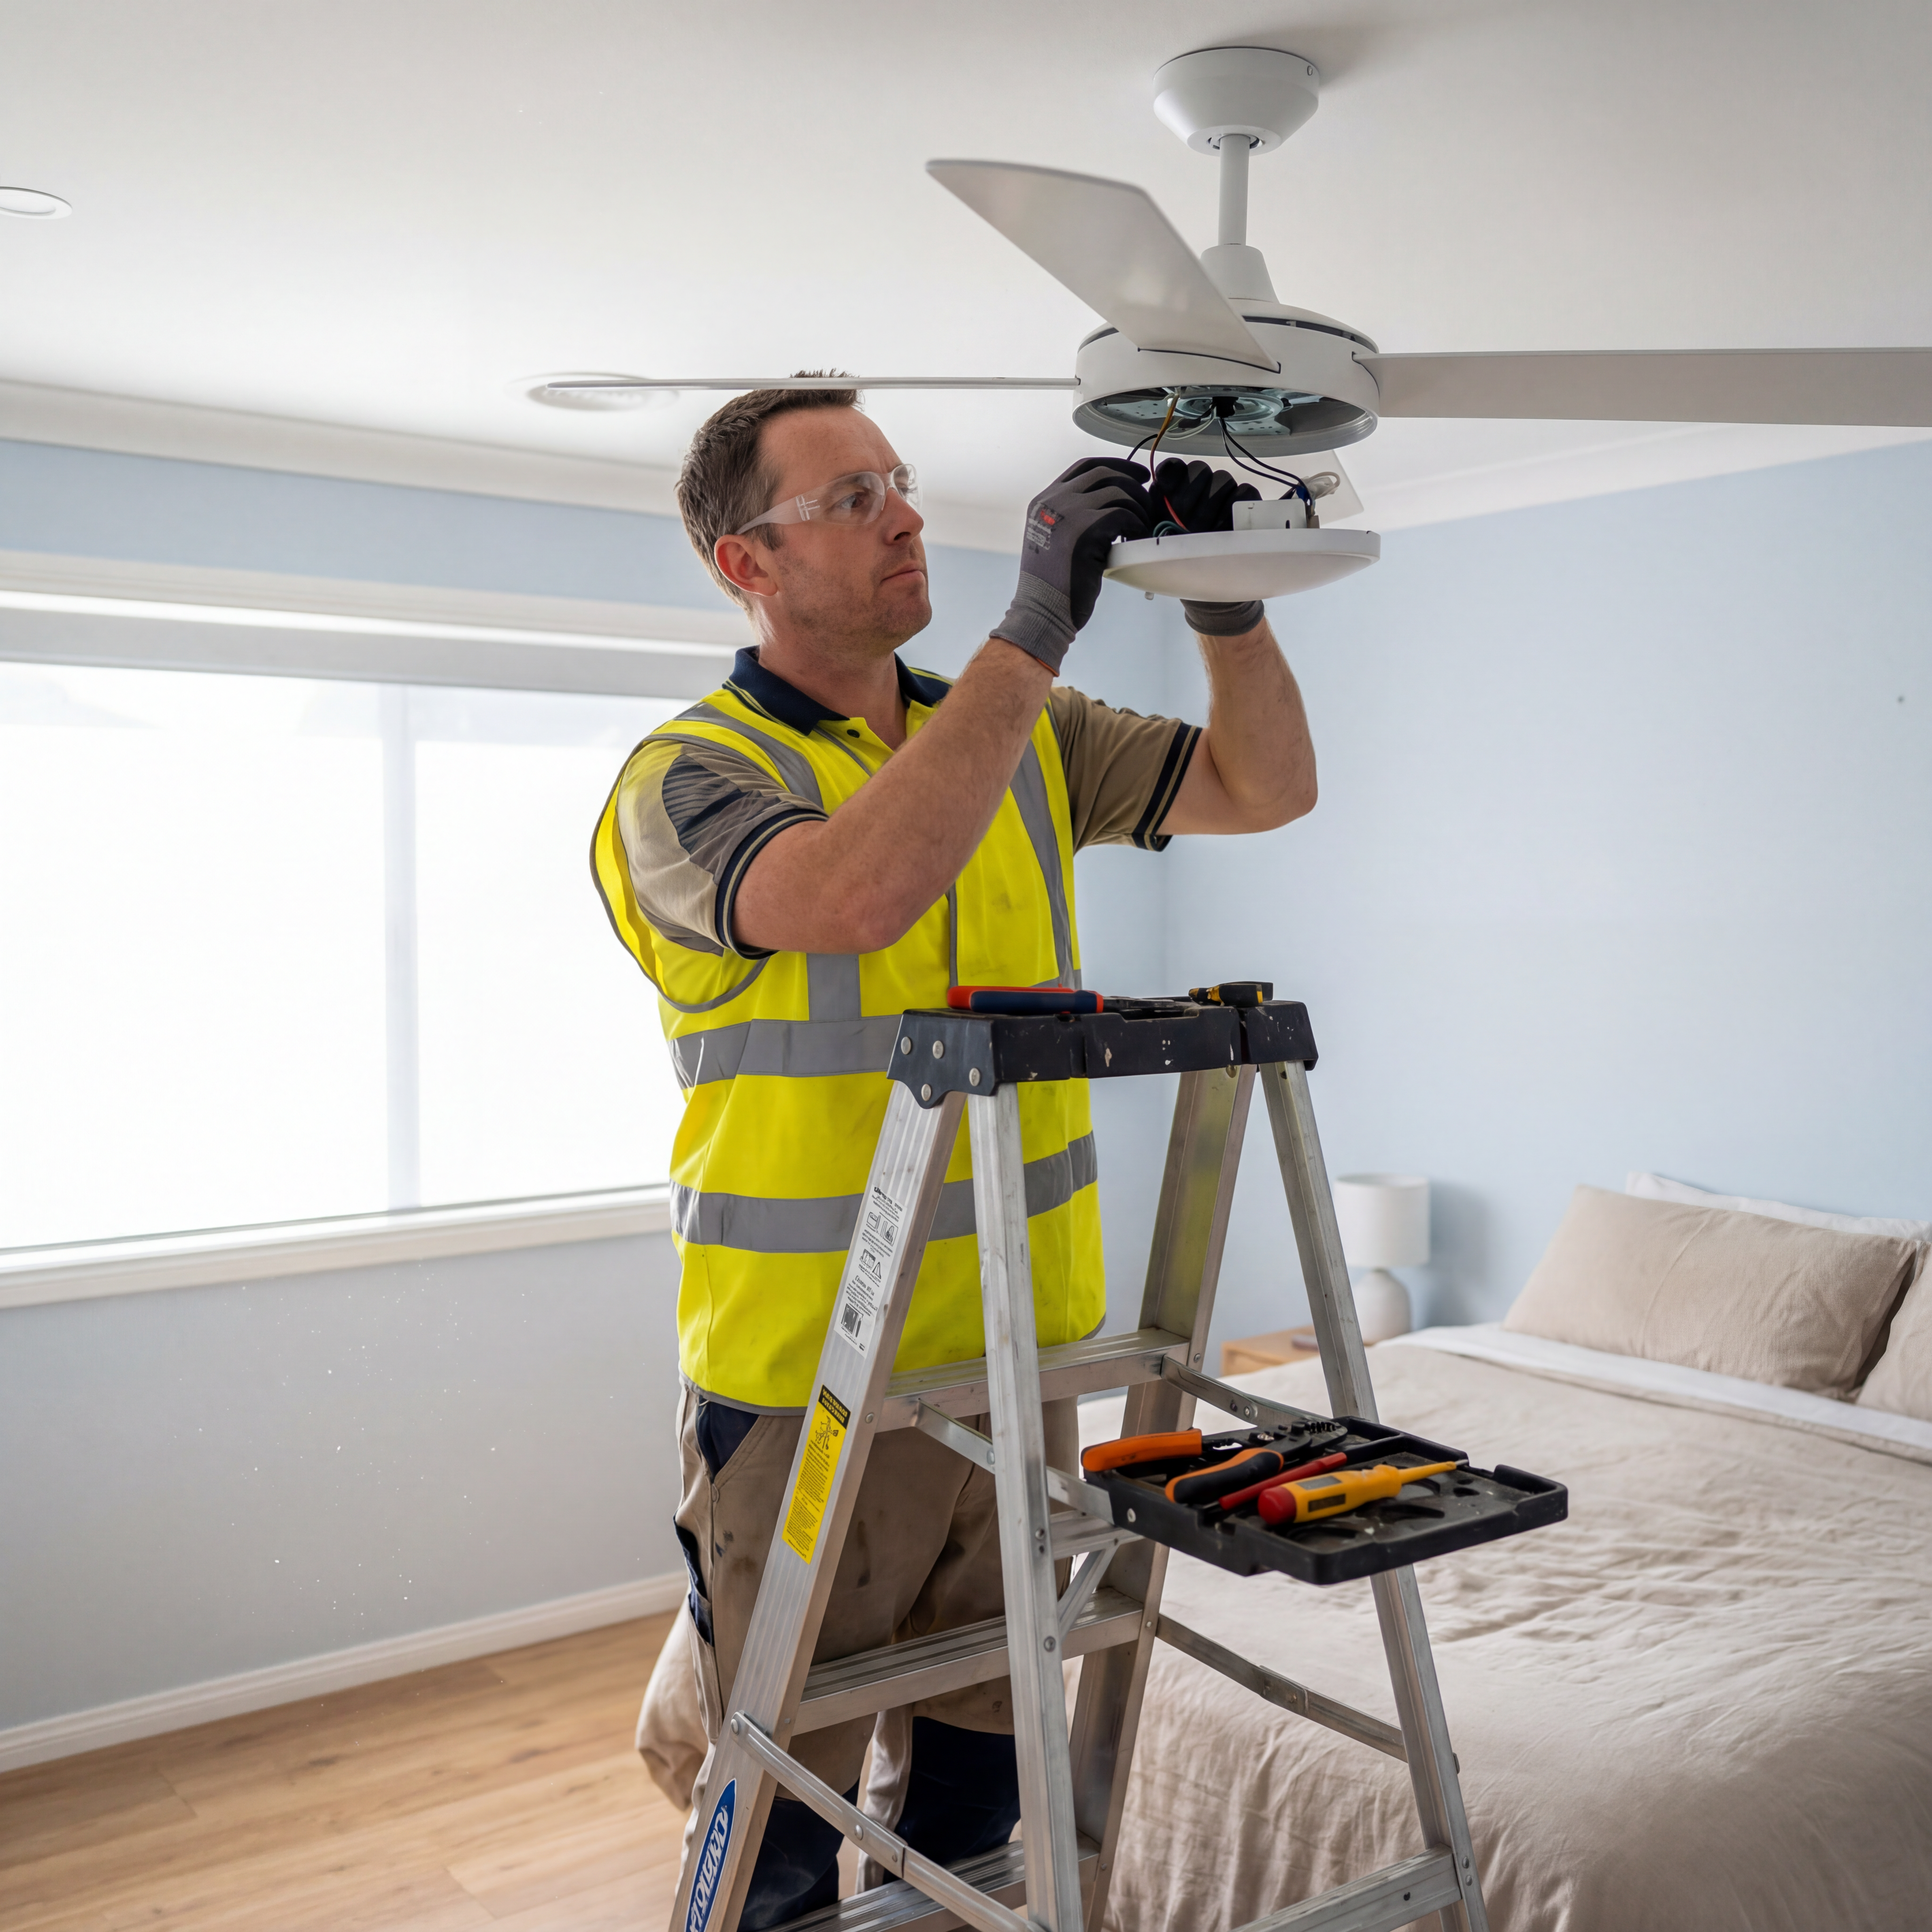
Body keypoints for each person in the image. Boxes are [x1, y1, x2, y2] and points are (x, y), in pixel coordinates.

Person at [591, 379, 1316, 1927]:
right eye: (850, 499)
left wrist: (1230, 617)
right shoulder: (689, 782)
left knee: (983, 1810)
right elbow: (856, 895)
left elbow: (1269, 787)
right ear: (747, 564)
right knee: (782, 1828)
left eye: (900, 483)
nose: (907, 516)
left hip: (1015, 1363)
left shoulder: (1024, 740)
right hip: (811, 1383)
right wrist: (1034, 626)